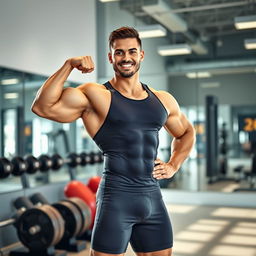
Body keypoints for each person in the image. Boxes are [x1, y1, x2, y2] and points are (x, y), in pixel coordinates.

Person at [31, 26, 195, 256]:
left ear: (141, 55)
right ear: (110, 57)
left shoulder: (162, 100)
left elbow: (186, 132)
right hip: (116, 198)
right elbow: (42, 106)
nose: (126, 58)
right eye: (119, 52)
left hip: (152, 197)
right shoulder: (96, 95)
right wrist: (68, 66)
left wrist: (173, 165)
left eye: (132, 51)